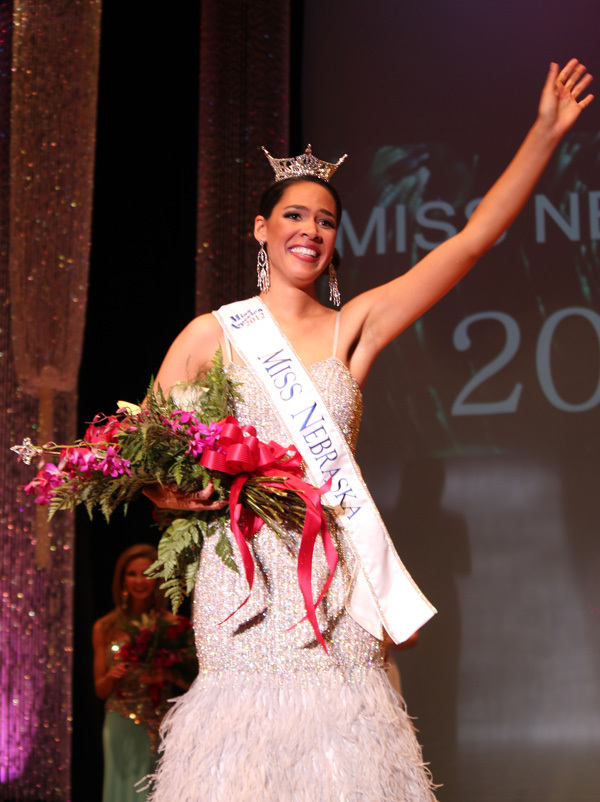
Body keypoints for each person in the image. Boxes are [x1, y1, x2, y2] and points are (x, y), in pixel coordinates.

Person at [145, 61, 593, 801]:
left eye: (325, 220)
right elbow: (152, 464)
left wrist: (544, 134)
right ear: (261, 228)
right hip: (244, 588)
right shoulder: (211, 335)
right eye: (294, 215)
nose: (310, 230)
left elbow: (473, 241)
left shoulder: (356, 327)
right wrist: (188, 497)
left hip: (334, 584)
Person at [92, 543, 197, 802]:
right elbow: (101, 690)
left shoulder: (174, 626)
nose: (140, 581)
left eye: (148, 573)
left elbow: (194, 684)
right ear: (122, 579)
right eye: (132, 574)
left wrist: (167, 675)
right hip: (120, 722)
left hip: (163, 723)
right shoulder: (105, 627)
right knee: (124, 787)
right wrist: (112, 675)